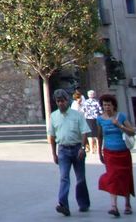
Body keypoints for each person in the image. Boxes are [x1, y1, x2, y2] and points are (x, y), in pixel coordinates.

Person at [49, 88, 91, 216]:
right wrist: (54, 153)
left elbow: (84, 132)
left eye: (62, 101)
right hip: (63, 150)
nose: (60, 103)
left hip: (77, 148)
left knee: (80, 178)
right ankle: (63, 204)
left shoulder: (77, 115)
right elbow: (52, 136)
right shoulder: (54, 116)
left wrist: (83, 148)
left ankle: (83, 203)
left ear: (67, 101)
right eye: (58, 101)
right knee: (64, 178)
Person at [96, 93, 135, 217]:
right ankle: (113, 206)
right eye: (104, 105)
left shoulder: (121, 116)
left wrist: (119, 125)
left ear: (114, 106)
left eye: (109, 105)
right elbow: (100, 136)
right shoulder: (100, 119)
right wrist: (100, 152)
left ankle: (127, 203)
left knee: (125, 177)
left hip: (123, 152)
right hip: (109, 152)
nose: (106, 107)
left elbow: (132, 132)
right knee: (112, 177)